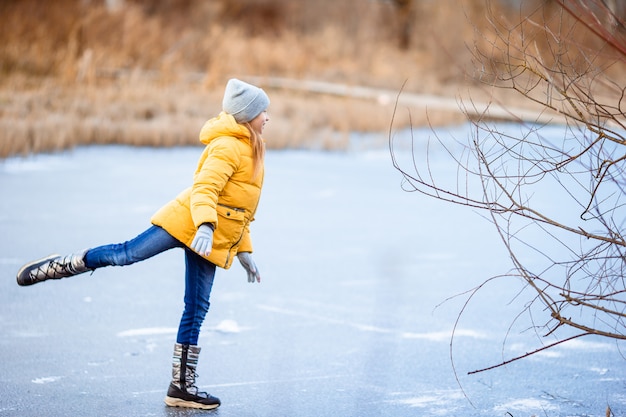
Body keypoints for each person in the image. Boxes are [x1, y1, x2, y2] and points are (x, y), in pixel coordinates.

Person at [15, 78, 270, 410]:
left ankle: (181, 388)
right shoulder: (226, 146)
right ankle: (59, 266)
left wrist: (244, 252)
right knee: (126, 254)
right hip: (187, 224)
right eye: (263, 111)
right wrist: (205, 225)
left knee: (197, 309)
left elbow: (240, 211)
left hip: (211, 239)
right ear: (247, 114)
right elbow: (206, 189)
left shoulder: (253, 150)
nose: (267, 117)